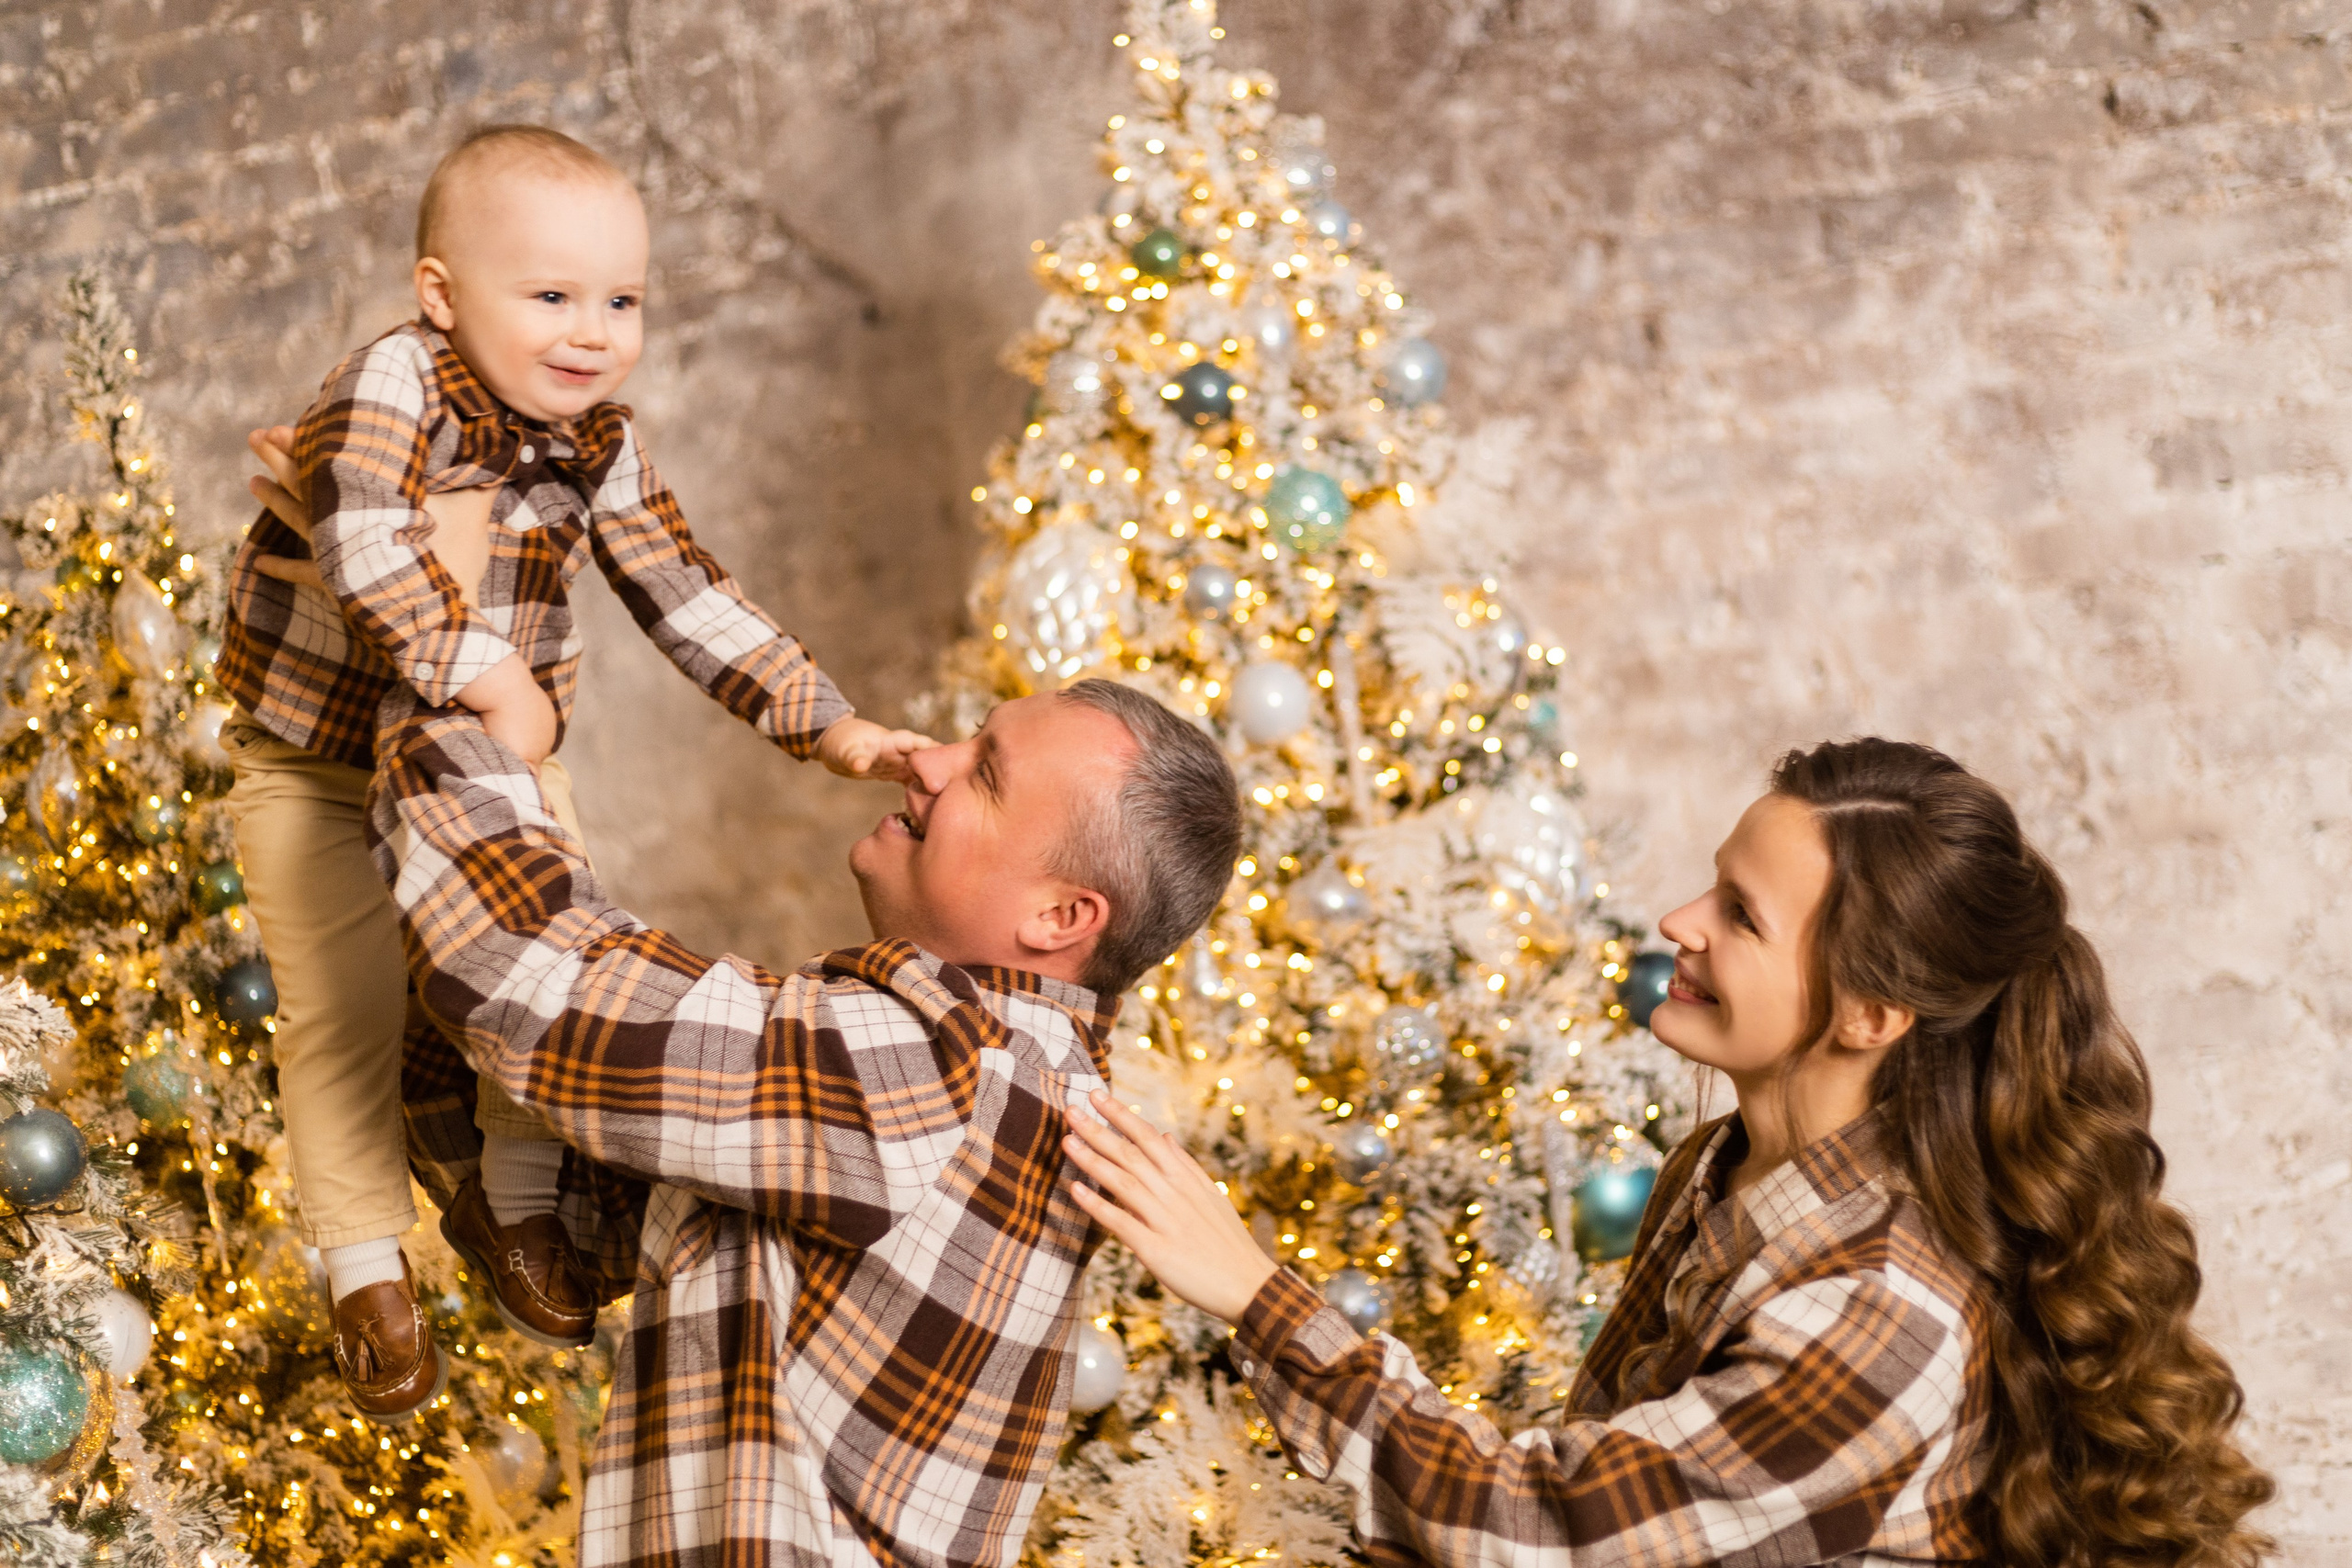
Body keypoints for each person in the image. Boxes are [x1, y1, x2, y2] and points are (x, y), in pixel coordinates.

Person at [1064, 739, 2276, 1567]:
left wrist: (1255, 1292)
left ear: (1870, 1014)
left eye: (1741, 914)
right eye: (1715, 884)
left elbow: (1548, 1527)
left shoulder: (1881, 1311)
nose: (1679, 924)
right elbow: (1609, 1462)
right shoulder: (1734, 1161)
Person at [218, 122, 927, 1418]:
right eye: (550, 295)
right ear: (443, 295)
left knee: (551, 964)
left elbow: (685, 591)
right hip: (317, 757)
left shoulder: (596, 437)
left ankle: (521, 1207)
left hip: (483, 765)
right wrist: (480, 662)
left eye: (621, 299)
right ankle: (365, 1260)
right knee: (344, 1001)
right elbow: (365, 528)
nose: (590, 329)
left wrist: (836, 728)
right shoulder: (392, 383)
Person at [366, 675, 1241, 1568]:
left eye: (984, 773)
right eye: (970, 732)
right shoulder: (1016, 1089)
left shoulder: (937, 1066)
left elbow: (530, 982)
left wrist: (444, 700)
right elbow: (578, 1224)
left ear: (1057, 917)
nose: (926, 760)